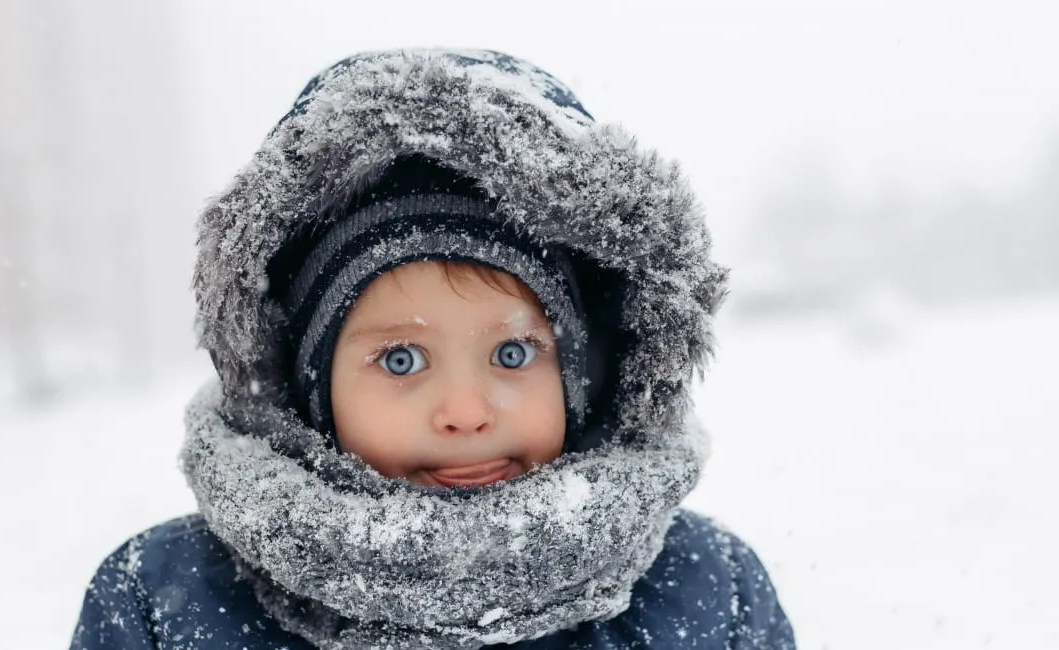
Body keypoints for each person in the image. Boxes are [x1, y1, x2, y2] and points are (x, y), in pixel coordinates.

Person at [70, 48, 795, 650]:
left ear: (582, 373)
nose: (466, 411)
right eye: (401, 360)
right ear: (309, 391)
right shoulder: (163, 602)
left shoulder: (708, 590)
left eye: (513, 355)